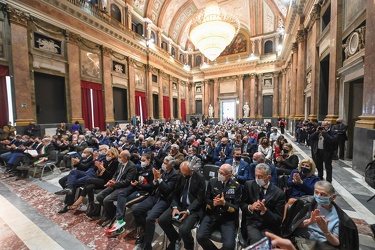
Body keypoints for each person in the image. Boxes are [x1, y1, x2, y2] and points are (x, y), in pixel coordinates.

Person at [282, 181, 359, 249]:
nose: (318, 196)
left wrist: (326, 231)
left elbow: (336, 242)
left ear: (333, 197)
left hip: (320, 245)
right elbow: (292, 226)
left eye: (323, 194)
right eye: (316, 192)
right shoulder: (305, 204)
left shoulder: (340, 218)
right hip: (298, 240)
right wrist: (309, 222)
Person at [133, 156, 179, 250]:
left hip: (164, 199)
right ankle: (147, 231)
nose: (163, 164)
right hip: (155, 196)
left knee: (150, 218)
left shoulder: (175, 175)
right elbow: (154, 186)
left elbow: (167, 190)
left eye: (165, 163)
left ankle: (147, 245)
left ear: (171, 165)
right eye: (163, 162)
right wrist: (155, 179)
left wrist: (159, 179)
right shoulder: (161, 171)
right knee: (136, 210)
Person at [158, 161, 206, 250]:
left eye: (186, 174)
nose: (184, 175)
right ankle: (175, 239)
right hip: (180, 205)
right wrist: (175, 207)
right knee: (162, 220)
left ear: (191, 170)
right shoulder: (181, 176)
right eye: (182, 173)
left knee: (183, 230)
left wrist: (188, 211)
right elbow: (175, 193)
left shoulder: (200, 178)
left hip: (193, 208)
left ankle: (189, 246)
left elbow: (199, 199)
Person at [106, 153, 154, 236]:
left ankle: (123, 224)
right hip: (135, 187)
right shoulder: (139, 167)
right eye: (141, 160)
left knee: (125, 203)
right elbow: (134, 179)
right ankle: (119, 220)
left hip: (144, 192)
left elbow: (151, 187)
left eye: (144, 160)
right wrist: (133, 182)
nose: (142, 162)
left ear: (148, 160)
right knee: (121, 193)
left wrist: (139, 184)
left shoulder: (152, 170)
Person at [197, 164, 241, 250]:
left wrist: (224, 203)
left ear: (230, 175)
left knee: (229, 246)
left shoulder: (236, 186)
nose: (219, 174)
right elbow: (206, 199)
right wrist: (214, 203)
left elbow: (236, 208)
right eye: (219, 172)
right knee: (200, 237)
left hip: (228, 218)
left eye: (222, 173)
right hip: (212, 214)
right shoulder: (212, 182)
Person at [240, 163, 285, 245]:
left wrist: (265, 211)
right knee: (256, 241)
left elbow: (278, 220)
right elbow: (242, 204)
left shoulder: (279, 193)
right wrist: (250, 207)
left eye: (260, 176)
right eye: (256, 175)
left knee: (265, 242)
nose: (257, 178)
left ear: (269, 177)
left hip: (268, 225)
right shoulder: (248, 185)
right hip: (251, 222)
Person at [68, 148, 119, 216]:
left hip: (107, 181)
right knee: (89, 187)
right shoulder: (108, 162)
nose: (107, 156)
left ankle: (80, 200)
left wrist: (102, 168)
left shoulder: (115, 162)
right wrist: (99, 168)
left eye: (108, 154)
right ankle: (92, 206)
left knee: (89, 180)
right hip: (102, 179)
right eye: (106, 154)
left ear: (113, 155)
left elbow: (109, 176)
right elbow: (100, 174)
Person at [96, 150, 136, 227]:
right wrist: (112, 180)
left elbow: (127, 181)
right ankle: (112, 212)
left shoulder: (132, 166)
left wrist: (115, 184)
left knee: (107, 200)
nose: (119, 158)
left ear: (125, 158)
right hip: (114, 184)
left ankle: (110, 217)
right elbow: (115, 174)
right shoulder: (120, 164)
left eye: (120, 157)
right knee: (99, 197)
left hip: (122, 187)